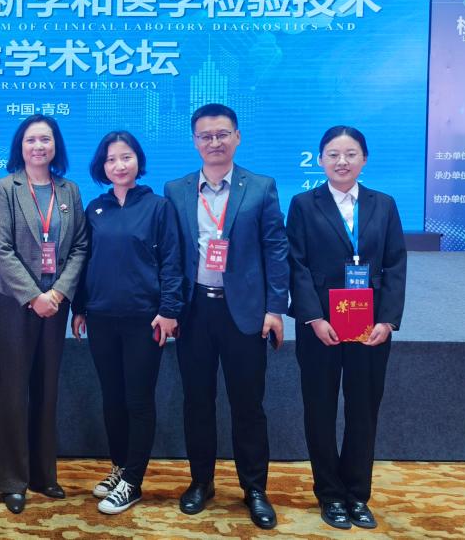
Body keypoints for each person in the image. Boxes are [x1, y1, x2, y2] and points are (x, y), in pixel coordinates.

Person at [163, 103, 288, 530]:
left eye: (222, 134)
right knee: (197, 402)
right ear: (194, 141)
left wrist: (275, 309)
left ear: (237, 137)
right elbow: (172, 255)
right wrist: (170, 307)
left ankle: (254, 489)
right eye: (205, 136)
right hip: (195, 311)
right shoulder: (176, 189)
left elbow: (276, 250)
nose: (214, 142)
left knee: (247, 405)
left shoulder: (261, 187)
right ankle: (201, 483)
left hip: (245, 312)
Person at [286, 126, 407, 530]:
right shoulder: (304, 204)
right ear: (320, 159)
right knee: (319, 410)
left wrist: (387, 320)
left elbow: (395, 264)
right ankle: (330, 494)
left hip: (369, 328)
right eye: (333, 154)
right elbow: (296, 265)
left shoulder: (383, 204)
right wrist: (313, 317)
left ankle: (357, 494)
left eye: (351, 154)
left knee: (363, 411)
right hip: (321, 327)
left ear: (364, 159)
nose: (342, 161)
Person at [71, 131, 183, 514]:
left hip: (144, 320)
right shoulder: (95, 208)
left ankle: (133, 481)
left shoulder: (158, 207)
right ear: (101, 166)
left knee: (138, 400)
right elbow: (84, 260)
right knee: (112, 398)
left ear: (138, 161)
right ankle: (120, 468)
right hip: (101, 317)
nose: (119, 165)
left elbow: (172, 262)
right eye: (111, 159)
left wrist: (169, 310)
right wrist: (80, 308)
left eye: (126, 157)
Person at [0, 114, 88, 514]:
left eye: (45, 139)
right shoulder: (5, 188)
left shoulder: (69, 190)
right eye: (31, 140)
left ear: (55, 145)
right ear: (20, 146)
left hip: (56, 304)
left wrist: (58, 292)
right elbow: (0, 248)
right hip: (14, 304)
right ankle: (13, 480)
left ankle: (45, 474)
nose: (38, 146)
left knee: (47, 388)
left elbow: (80, 246)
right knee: (14, 390)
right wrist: (33, 296)